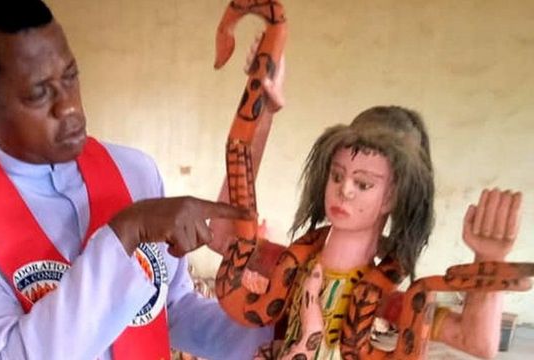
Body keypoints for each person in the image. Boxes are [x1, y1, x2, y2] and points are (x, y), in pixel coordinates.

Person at [0, 0, 281, 359]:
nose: (70, 107)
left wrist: (280, 327)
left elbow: (172, 310)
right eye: (39, 94)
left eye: (71, 77)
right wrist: (124, 233)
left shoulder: (134, 172)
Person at [212, 106, 522, 359]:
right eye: (337, 175)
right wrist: (263, 109)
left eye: (363, 184)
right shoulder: (292, 263)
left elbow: (477, 342)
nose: (344, 190)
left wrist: (488, 261)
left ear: (393, 196)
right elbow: (221, 236)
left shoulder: (383, 298)